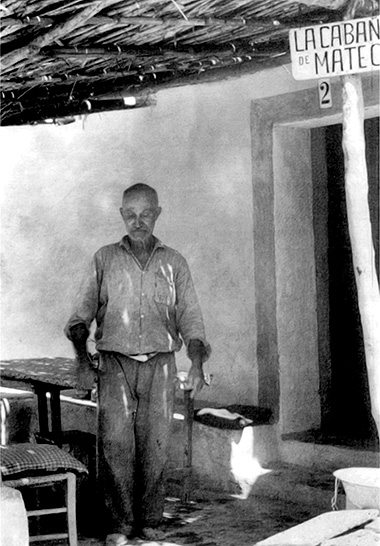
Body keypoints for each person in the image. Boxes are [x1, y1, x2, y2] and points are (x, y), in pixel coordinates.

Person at [64, 183, 210, 544]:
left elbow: (191, 320)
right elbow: (79, 319)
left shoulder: (174, 262)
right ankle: (118, 523)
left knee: (156, 443)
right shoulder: (104, 259)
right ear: (121, 215)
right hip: (114, 364)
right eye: (130, 214)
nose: (138, 221)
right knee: (115, 444)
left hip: (160, 364)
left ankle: (150, 520)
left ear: (157, 213)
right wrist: (83, 362)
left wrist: (195, 364)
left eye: (145, 213)